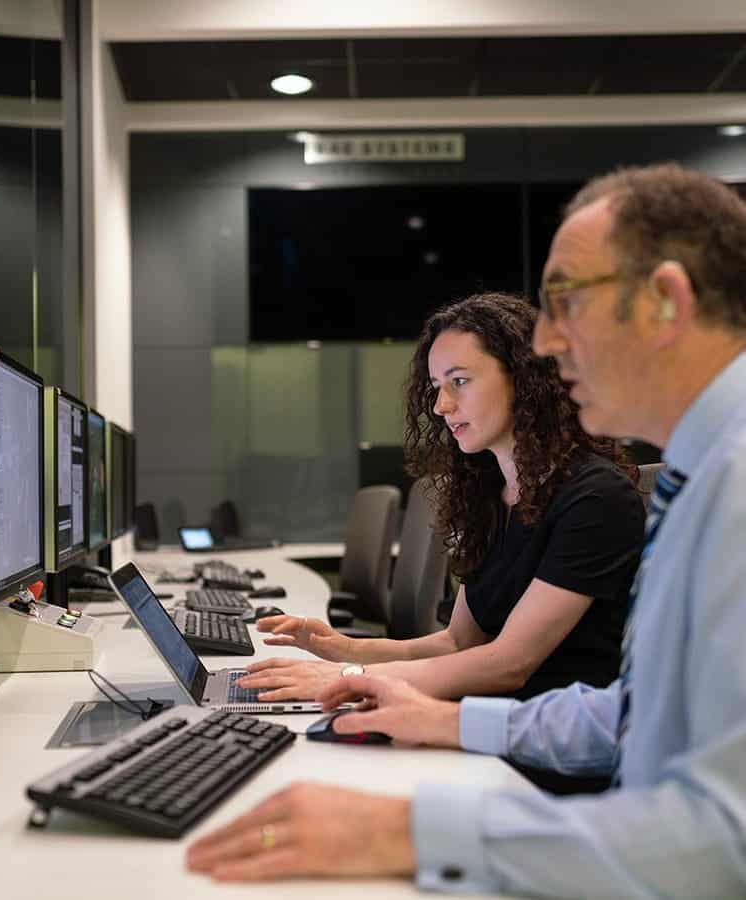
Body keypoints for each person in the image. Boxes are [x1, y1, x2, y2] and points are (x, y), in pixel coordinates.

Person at [186, 163, 746, 897]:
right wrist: (442, 721)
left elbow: (722, 846)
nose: (545, 343)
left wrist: (402, 828)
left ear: (664, 302)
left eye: (563, 303)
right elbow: (628, 718)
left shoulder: (723, 488)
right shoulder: (695, 477)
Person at [238, 293, 644, 708]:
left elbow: (510, 662)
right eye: (436, 387)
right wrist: (344, 649)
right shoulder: (488, 495)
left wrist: (349, 678)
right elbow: (458, 643)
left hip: (542, 745)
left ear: (524, 377)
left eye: (460, 381)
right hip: (479, 721)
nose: (441, 405)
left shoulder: (596, 498)